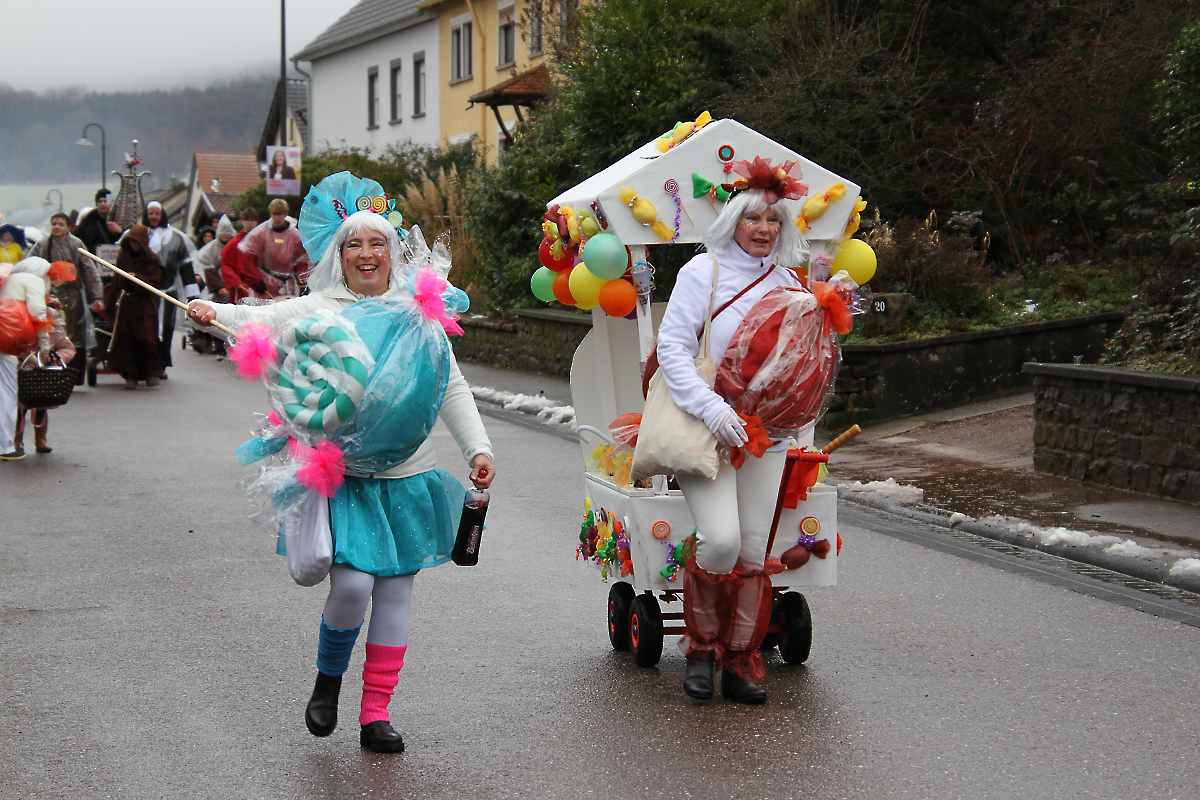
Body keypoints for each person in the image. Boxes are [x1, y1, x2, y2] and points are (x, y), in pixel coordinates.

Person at [186, 173, 496, 754]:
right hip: (344, 476)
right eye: (354, 243)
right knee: (352, 585)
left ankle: (375, 712)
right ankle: (328, 682)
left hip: (407, 473)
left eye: (377, 242)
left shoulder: (417, 312)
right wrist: (212, 311)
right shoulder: (318, 308)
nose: (366, 253)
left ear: (391, 251)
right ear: (339, 254)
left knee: (396, 594)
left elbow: (450, 384)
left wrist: (479, 448)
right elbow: (261, 320)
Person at [655, 161, 810, 706]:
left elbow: (799, 356)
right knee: (719, 539)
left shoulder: (789, 282)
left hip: (765, 436)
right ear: (733, 220)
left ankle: (740, 659)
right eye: (753, 217)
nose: (763, 228)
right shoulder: (704, 274)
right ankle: (700, 649)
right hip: (707, 429)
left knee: (750, 550)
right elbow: (672, 349)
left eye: (773, 219)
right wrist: (714, 410)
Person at [28, 212, 103, 385]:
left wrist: (97, 296)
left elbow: (90, 270)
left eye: (61, 224)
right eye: (54, 223)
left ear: (68, 227)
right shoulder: (43, 244)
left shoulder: (77, 244)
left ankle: (73, 376)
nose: (56, 227)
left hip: (73, 298)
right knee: (50, 335)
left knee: (74, 338)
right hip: (48, 296)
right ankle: (50, 374)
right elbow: (30, 264)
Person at [142, 201, 200, 376]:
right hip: (144, 292)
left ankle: (161, 365)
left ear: (162, 215)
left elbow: (186, 269)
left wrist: (193, 297)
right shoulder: (137, 234)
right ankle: (146, 364)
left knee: (166, 328)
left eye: (156, 214)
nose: (153, 217)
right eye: (150, 213)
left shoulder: (176, 238)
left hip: (168, 292)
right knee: (146, 328)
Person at [13, 294, 76, 454]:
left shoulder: (52, 316)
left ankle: (40, 438)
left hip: (42, 372)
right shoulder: (12, 314)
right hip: (17, 369)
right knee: (17, 407)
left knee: (41, 404)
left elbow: (66, 347)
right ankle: (16, 440)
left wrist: (55, 359)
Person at [105, 225, 165, 388]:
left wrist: (138, 278)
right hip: (127, 304)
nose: (134, 245)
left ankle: (150, 373)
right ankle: (130, 376)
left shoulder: (152, 259)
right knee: (127, 340)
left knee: (147, 338)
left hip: (145, 304)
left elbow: (155, 282)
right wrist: (109, 303)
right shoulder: (123, 257)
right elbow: (117, 281)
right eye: (131, 242)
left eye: (136, 242)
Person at [238, 198, 309, 298]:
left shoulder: (295, 235)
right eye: (275, 214)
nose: (277, 218)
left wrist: (302, 282)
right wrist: (256, 282)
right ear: (270, 214)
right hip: (264, 283)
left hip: (288, 285)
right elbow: (249, 259)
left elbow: (302, 260)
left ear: (285, 214)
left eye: (280, 214)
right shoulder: (260, 233)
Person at [190, 215, 235, 356]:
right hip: (214, 287)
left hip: (231, 284)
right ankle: (218, 346)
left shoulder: (234, 245)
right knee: (215, 316)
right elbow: (206, 268)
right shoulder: (209, 249)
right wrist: (218, 287)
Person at [220, 207, 270, 303]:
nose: (250, 223)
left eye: (253, 220)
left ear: (256, 222)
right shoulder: (234, 243)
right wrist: (237, 282)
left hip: (263, 286)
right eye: (247, 220)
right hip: (243, 288)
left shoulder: (263, 240)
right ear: (242, 221)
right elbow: (225, 264)